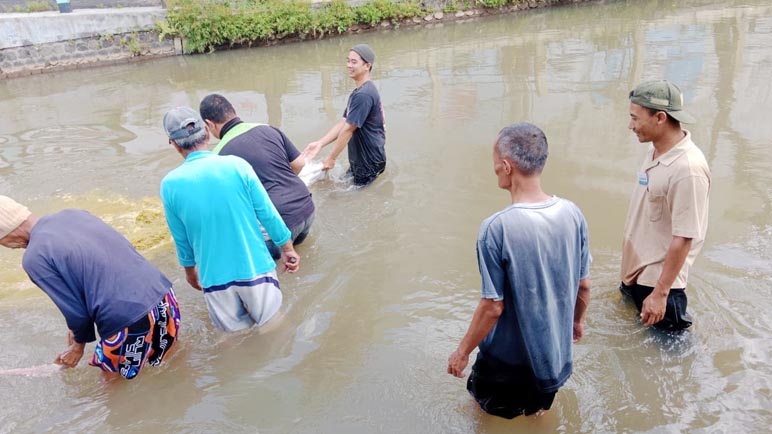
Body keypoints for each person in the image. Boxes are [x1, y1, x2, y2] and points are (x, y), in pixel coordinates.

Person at [446, 123, 591, 419]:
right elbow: (584, 285)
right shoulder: (572, 213)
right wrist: (576, 322)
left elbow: (492, 306)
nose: (494, 169)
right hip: (554, 359)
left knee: (484, 420)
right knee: (537, 418)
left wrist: (462, 352)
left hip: (505, 367)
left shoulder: (496, 228)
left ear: (506, 166)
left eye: (494, 163)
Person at [0, 195, 180, 380]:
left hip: (127, 317)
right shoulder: (73, 214)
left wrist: (77, 347)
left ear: (6, 231)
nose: (6, 246)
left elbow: (76, 313)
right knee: (173, 359)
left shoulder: (34, 257)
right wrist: (76, 329)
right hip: (162, 293)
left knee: (114, 385)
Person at [160, 106, 300, 332]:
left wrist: (190, 272)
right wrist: (287, 248)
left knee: (233, 341)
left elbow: (181, 238)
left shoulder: (169, 185)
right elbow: (267, 213)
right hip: (254, 267)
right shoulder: (237, 166)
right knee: (274, 329)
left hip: (214, 279)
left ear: (174, 144)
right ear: (207, 131)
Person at [620, 80, 710, 331]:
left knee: (668, 358)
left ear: (660, 117)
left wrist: (660, 294)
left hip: (659, 285)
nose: (631, 126)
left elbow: (685, 236)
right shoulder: (655, 150)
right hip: (635, 272)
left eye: (635, 118)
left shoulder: (688, 170)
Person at [199, 93, 315, 260]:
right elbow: (299, 164)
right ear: (233, 111)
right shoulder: (268, 129)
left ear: (209, 124)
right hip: (306, 209)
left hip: (276, 225)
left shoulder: (218, 155)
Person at [303, 43, 386, 186]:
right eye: (348, 61)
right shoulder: (360, 92)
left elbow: (348, 130)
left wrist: (331, 158)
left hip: (368, 161)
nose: (349, 65)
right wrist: (320, 143)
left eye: (354, 62)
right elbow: (344, 122)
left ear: (367, 66)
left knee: (353, 200)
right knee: (344, 189)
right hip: (364, 159)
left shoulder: (364, 95)